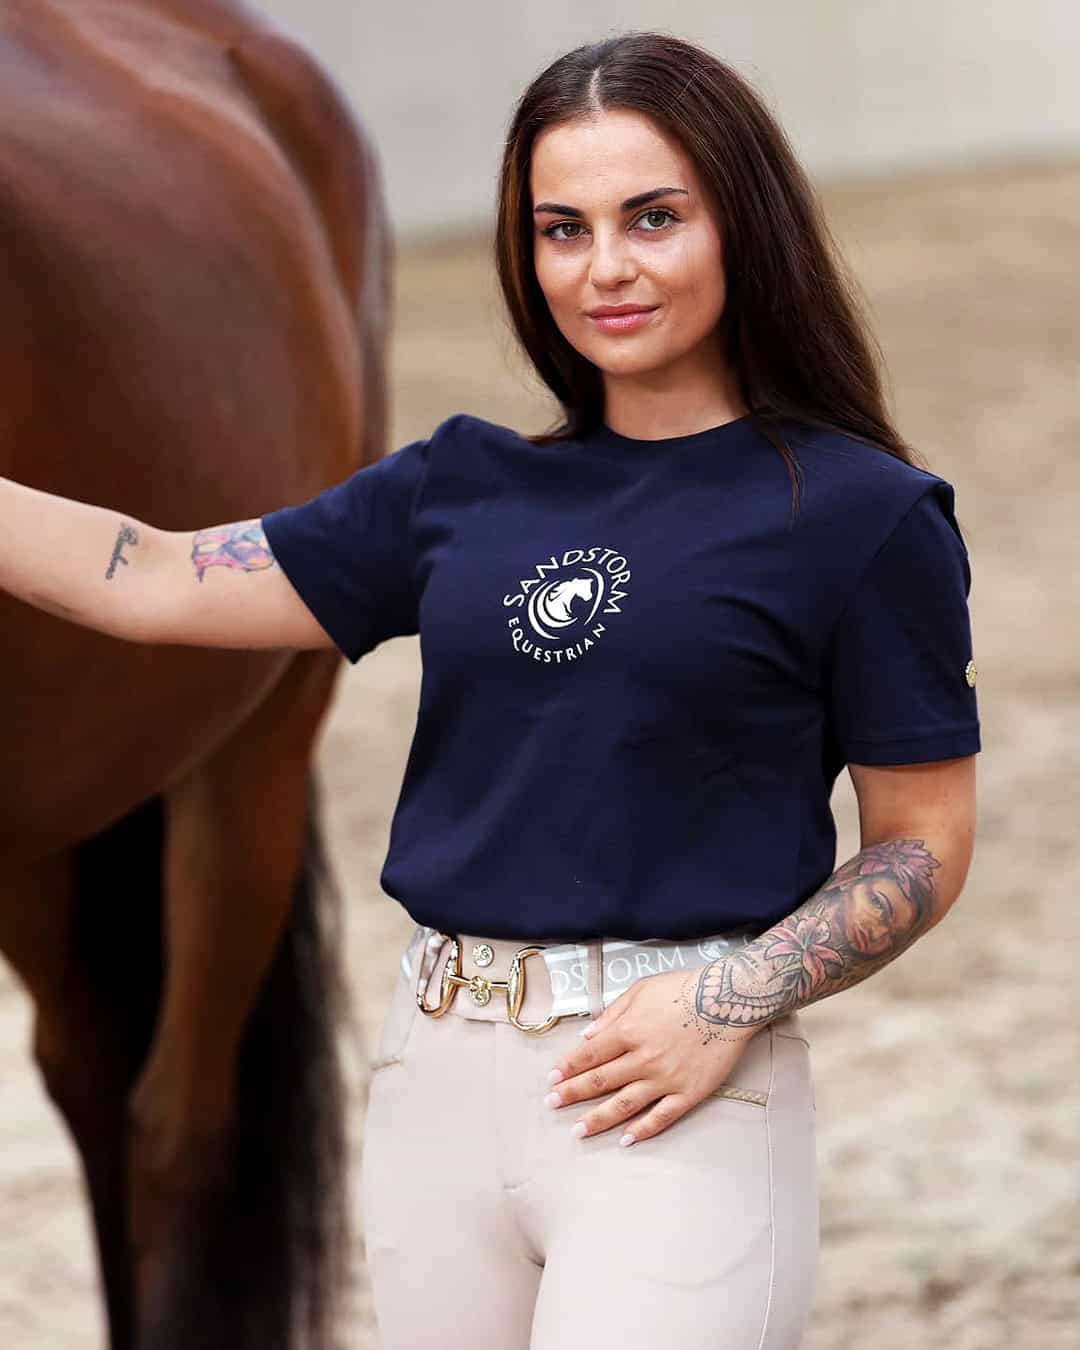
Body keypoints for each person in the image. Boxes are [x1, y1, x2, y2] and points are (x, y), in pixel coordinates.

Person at [0, 29, 981, 1350]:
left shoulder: (864, 514)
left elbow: (923, 843)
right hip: (435, 1086)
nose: (605, 267)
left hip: (668, 1087)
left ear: (742, 222)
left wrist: (732, 999)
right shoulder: (458, 487)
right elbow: (155, 576)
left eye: (653, 218)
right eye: (562, 229)